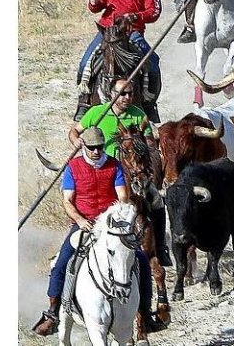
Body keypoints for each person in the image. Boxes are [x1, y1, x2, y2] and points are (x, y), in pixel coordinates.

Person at [32, 127, 162, 336]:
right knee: (61, 263)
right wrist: (80, 220)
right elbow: (67, 201)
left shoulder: (114, 165)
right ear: (83, 145)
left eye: (99, 147)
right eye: (92, 147)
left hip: (110, 224)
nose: (96, 151)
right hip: (84, 223)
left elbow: (122, 196)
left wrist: (123, 212)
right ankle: (53, 313)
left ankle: (145, 315)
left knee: (142, 262)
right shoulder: (73, 167)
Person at [70, 79, 172, 266]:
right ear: (111, 94)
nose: (127, 97)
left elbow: (151, 145)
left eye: (130, 93)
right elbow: (74, 131)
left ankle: (160, 246)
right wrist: (76, 140)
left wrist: (144, 149)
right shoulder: (97, 113)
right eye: (122, 93)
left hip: (133, 173)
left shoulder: (138, 115)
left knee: (157, 200)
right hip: (102, 170)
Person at [75, 0, 163, 122]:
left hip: (132, 33)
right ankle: (83, 102)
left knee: (153, 64)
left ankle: (149, 105)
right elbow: (96, 5)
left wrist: (136, 16)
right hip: (108, 31)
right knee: (85, 62)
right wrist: (93, 3)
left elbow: (154, 11)